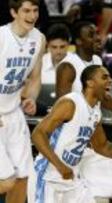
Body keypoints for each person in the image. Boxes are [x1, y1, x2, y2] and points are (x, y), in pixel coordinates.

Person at [31, 65, 112, 203]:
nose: (110, 80)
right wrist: (60, 166)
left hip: (70, 178)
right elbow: (38, 134)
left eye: (109, 77)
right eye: (104, 77)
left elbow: (102, 147)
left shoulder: (95, 112)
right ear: (90, 83)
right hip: (47, 176)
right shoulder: (70, 103)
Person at [55, 21, 112, 203]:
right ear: (78, 41)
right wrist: (81, 134)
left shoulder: (96, 61)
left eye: (97, 33)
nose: (97, 38)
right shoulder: (68, 66)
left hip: (95, 138)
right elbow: (62, 106)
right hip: (73, 141)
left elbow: (103, 97)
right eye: (90, 35)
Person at [0, 0, 45, 202]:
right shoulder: (1, 37)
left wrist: (31, 98)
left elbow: (35, 78)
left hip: (14, 112)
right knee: (6, 181)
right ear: (13, 12)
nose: (32, 15)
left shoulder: (39, 39)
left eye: (35, 10)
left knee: (23, 179)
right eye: (26, 11)